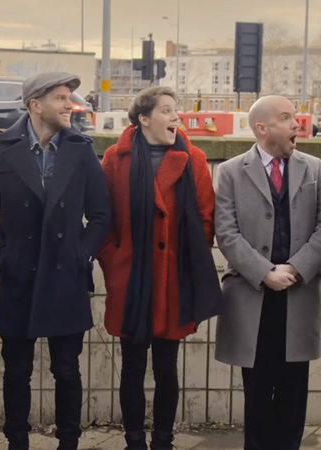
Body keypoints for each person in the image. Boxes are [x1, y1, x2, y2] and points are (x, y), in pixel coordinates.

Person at [0, 72, 111, 450]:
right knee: (16, 370)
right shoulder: (1, 149)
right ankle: (17, 441)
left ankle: (69, 442)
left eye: (71, 98)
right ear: (36, 105)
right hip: (20, 275)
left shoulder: (81, 149)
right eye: (62, 98)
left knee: (67, 369)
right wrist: (2, 254)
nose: (70, 105)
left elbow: (100, 214)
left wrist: (82, 253)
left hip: (67, 273)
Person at [97, 86, 222, 450]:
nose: (175, 117)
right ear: (144, 118)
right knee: (133, 367)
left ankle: (163, 441)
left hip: (172, 280)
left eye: (176, 111)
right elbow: (103, 218)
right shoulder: (115, 158)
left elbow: (205, 218)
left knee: (167, 367)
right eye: (166, 111)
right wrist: (114, 262)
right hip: (131, 280)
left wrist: (188, 261)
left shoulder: (193, 158)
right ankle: (134, 441)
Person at [212, 95, 321, 450]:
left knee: (293, 393)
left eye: (295, 116)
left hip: (298, 298)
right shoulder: (232, 172)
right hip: (253, 299)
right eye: (286, 118)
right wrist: (265, 272)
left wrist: (297, 269)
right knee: (256, 393)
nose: (296, 123)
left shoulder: (313, 168)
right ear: (262, 128)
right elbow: (227, 233)